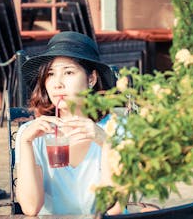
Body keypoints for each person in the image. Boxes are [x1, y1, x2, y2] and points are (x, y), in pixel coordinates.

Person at [15, 32, 121, 216]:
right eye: (50, 74)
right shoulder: (31, 135)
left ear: (91, 79)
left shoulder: (116, 129)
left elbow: (114, 209)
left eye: (69, 72)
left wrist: (107, 143)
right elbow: (31, 208)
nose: (57, 83)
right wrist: (25, 143)